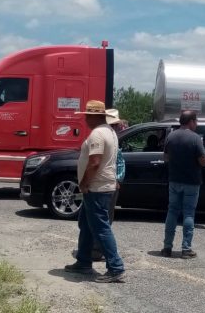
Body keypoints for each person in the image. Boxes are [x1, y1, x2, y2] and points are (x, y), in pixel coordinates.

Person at [64, 100, 125, 283]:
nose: (84, 119)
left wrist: (84, 183)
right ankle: (83, 261)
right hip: (101, 186)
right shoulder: (109, 131)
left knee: (100, 228)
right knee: (86, 224)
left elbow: (95, 162)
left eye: (87, 116)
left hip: (96, 187)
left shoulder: (98, 134)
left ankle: (116, 267)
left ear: (94, 116)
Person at [161, 110, 205, 259]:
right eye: (196, 121)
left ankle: (167, 247)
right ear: (191, 121)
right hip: (191, 182)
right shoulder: (195, 138)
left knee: (172, 211)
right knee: (188, 213)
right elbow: (202, 160)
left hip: (174, 180)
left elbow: (166, 157)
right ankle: (186, 249)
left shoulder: (171, 136)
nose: (197, 124)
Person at [90, 108, 125, 261]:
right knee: (102, 220)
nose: (118, 128)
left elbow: (117, 163)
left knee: (102, 222)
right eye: (116, 125)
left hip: (104, 185)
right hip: (108, 184)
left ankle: (102, 253)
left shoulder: (107, 136)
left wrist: (117, 180)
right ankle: (93, 251)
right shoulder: (111, 136)